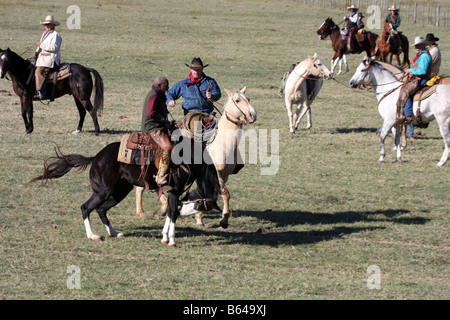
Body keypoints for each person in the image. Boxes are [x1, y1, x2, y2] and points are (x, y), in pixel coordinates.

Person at [141, 76, 173, 186]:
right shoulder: (153, 96)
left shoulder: (158, 95)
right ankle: (160, 176)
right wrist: (164, 121)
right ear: (159, 85)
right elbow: (151, 113)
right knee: (167, 148)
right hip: (152, 128)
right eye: (166, 85)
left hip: (158, 126)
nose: (167, 87)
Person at [397, 36, 432, 124]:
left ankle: (408, 115)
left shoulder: (424, 56)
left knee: (406, 91)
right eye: (416, 46)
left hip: (423, 79)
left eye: (419, 45)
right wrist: (413, 73)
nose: (417, 47)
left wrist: (410, 70)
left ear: (423, 45)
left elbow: (423, 70)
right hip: (420, 77)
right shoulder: (422, 54)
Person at [34, 15, 62, 100]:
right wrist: (37, 50)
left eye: (49, 24)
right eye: (46, 24)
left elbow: (54, 47)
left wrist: (41, 45)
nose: (46, 26)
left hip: (50, 58)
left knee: (39, 71)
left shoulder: (55, 35)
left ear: (53, 25)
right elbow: (41, 46)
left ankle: (42, 93)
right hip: (42, 57)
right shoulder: (45, 34)